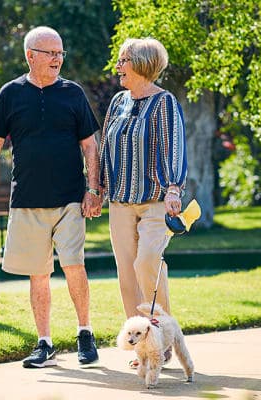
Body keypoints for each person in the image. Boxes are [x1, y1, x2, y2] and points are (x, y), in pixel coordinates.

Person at [0, 26, 103, 368]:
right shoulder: (10, 93)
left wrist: (93, 189)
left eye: (60, 53)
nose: (58, 59)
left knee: (74, 265)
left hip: (70, 198)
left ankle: (85, 333)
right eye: (51, 53)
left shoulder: (72, 93)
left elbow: (90, 145)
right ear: (31, 56)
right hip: (27, 198)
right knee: (38, 273)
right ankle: (44, 343)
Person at [98, 38, 188, 366]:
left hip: (155, 200)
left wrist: (174, 188)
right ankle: (143, 348)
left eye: (123, 60)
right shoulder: (118, 102)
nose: (118, 66)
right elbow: (106, 146)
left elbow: (174, 146)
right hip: (120, 201)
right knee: (126, 273)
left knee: (147, 262)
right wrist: (97, 187)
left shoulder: (164, 102)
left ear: (142, 64)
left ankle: (162, 334)